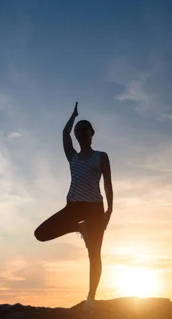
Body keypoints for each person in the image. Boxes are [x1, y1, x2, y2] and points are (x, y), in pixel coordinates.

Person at [34, 102, 113, 301]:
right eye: (78, 130)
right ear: (76, 135)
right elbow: (64, 133)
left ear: (92, 133)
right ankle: (80, 228)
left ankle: (91, 298)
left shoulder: (101, 156)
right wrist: (74, 116)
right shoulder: (73, 158)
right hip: (73, 208)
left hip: (95, 209)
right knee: (40, 233)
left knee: (94, 254)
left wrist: (109, 211)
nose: (81, 133)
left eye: (85, 130)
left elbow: (108, 185)